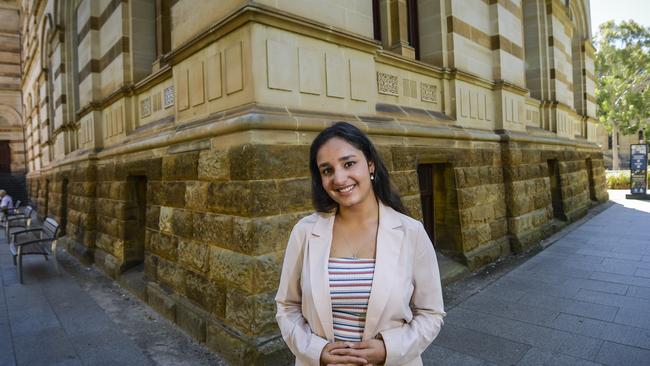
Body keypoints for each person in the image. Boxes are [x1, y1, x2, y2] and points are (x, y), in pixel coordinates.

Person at [276, 122, 445, 366]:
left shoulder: (411, 232)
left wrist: (389, 349)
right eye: (327, 170)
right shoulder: (305, 232)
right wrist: (316, 352)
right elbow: (287, 306)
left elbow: (431, 313)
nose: (339, 178)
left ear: (370, 164)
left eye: (348, 163)